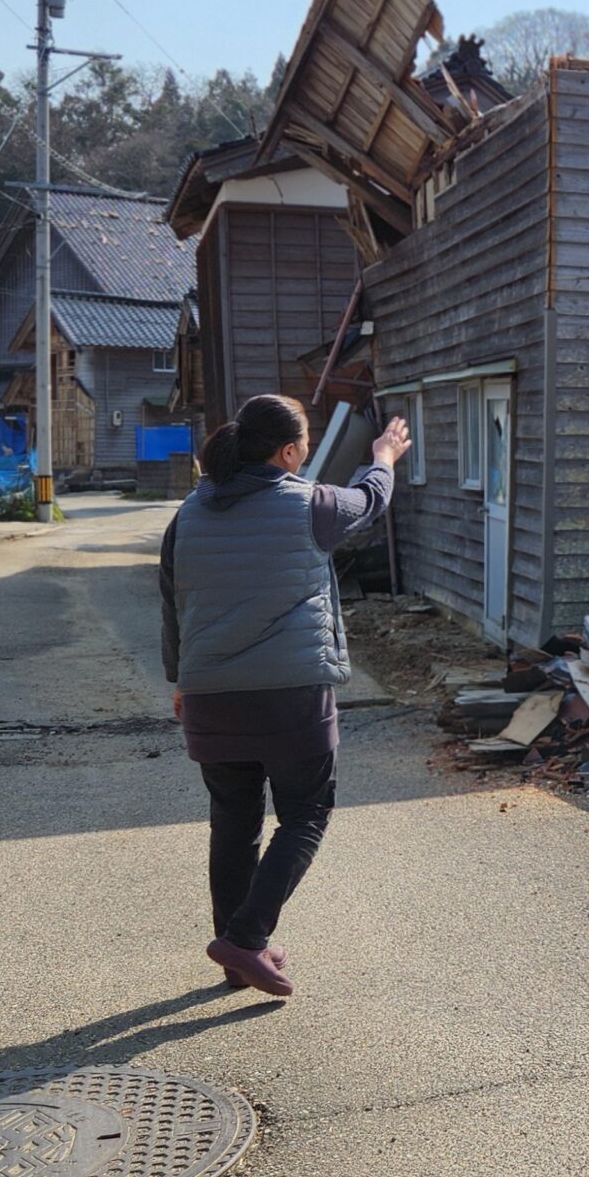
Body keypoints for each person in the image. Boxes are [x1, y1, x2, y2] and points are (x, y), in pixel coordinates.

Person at [160, 393, 409, 997]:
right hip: (291, 694)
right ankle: (244, 939)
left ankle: (237, 955)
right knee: (305, 815)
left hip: (209, 695)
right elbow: (371, 499)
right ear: (291, 450)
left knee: (234, 822)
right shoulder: (312, 505)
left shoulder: (186, 516)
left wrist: (179, 682)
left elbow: (173, 606)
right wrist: (384, 455)